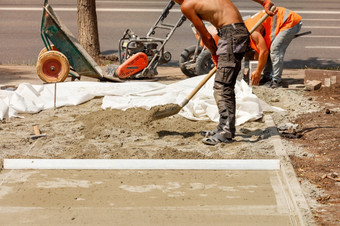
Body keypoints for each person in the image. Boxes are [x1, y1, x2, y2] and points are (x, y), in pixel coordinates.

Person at [173, 0, 276, 145]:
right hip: (239, 31)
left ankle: (225, 132)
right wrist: (264, 1)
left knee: (222, 87)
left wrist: (214, 55)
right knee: (225, 85)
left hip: (231, 35)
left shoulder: (187, 6)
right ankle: (224, 127)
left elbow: (207, 37)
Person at [245, 7, 302, 88]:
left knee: (275, 49)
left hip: (289, 20)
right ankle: (267, 77)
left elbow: (263, 52)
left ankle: (277, 81)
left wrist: (258, 71)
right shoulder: (246, 29)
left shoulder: (252, 32)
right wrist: (252, 70)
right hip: (281, 20)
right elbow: (259, 54)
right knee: (269, 49)